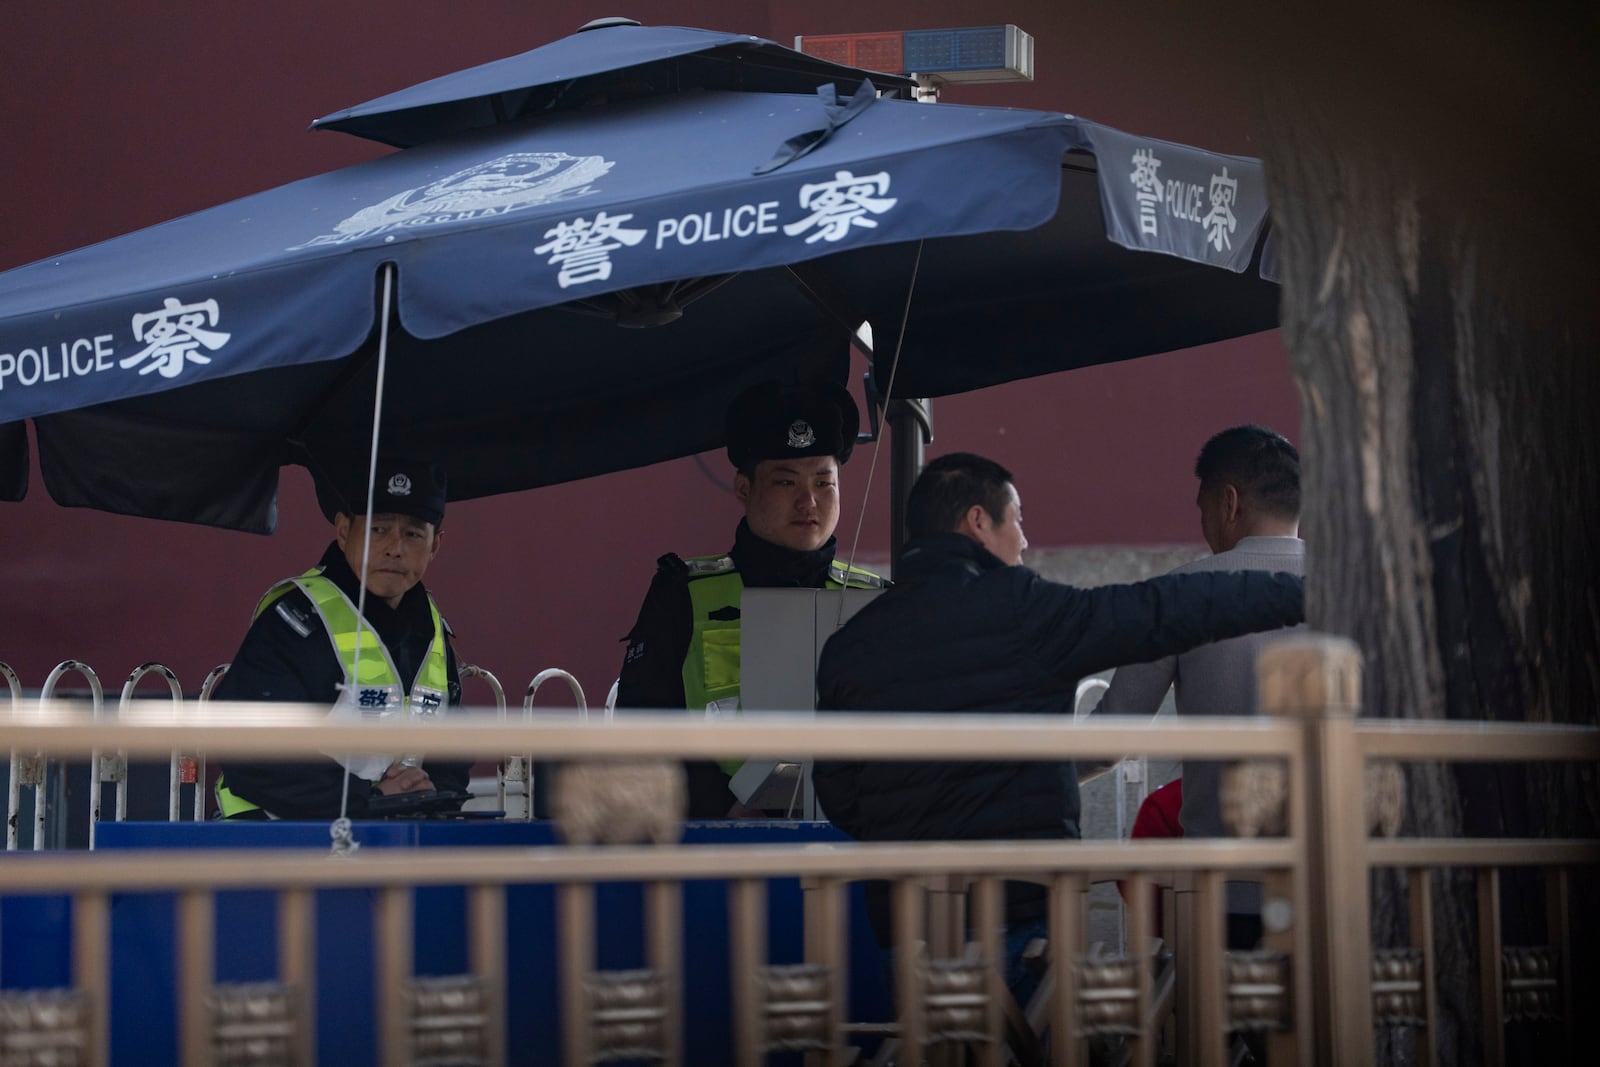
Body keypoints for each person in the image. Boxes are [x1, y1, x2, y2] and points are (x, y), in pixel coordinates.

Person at [812, 451, 1304, 1006]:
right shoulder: (1028, 611)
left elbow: (838, 793)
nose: (1024, 541)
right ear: (978, 521)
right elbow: (1165, 609)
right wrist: (1301, 590)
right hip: (1018, 920)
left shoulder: (849, 646)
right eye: (1017, 519)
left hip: (905, 927)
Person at [616, 380, 886, 818]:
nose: (808, 501)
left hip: (850, 847)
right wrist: (725, 809)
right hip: (720, 847)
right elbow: (641, 732)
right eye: (786, 482)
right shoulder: (684, 595)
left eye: (824, 482)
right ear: (743, 489)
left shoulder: (875, 601)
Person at [1094, 424, 1305, 947]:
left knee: (1208, 1027)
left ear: (1229, 502)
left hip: (1218, 894)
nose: (1204, 524)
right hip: (1335, 888)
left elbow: (1107, 740)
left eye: (1203, 507)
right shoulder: (1358, 590)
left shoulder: (1183, 592)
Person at [213, 457, 472, 820]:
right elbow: (251, 751)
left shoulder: (431, 624)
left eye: (413, 533)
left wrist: (431, 792)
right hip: (277, 846)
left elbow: (451, 753)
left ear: (435, 545)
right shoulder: (297, 619)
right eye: (379, 529)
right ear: (343, 531)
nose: (395, 548)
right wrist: (371, 797)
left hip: (390, 843)